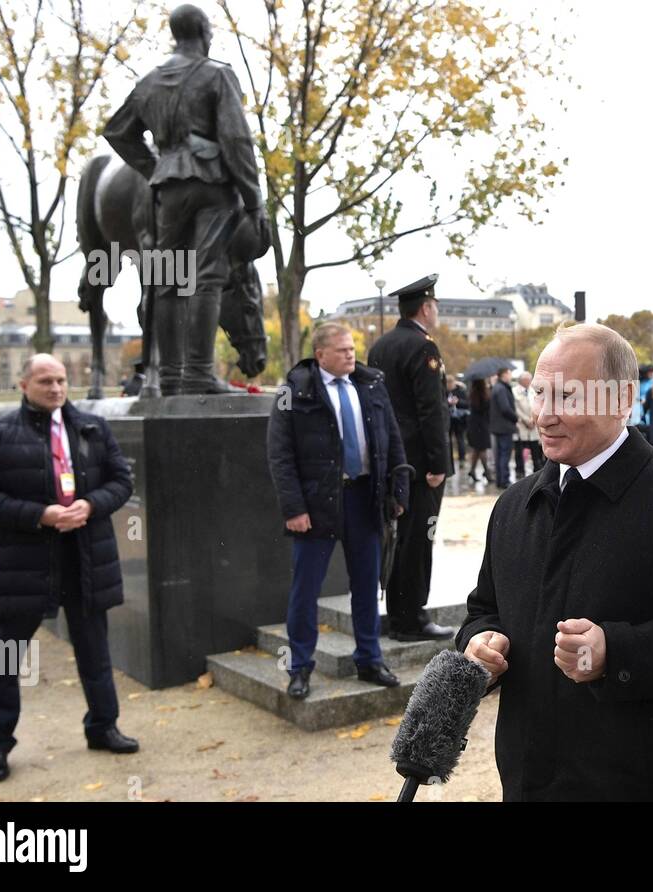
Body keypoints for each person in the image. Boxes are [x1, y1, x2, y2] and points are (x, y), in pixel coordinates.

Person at [456, 322, 653, 800]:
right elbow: (484, 610)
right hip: (527, 783)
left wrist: (616, 653)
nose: (544, 415)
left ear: (622, 399)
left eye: (567, 396)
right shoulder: (513, 506)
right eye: (539, 393)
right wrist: (478, 644)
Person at [0, 354, 137, 782]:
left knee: (95, 652)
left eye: (61, 380)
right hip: (21, 564)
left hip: (84, 557)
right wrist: (39, 515)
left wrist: (91, 504)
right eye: (46, 381)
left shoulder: (93, 428)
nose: (56, 388)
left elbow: (121, 481)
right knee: (4, 659)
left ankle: (103, 727)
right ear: (24, 384)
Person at [103, 3, 266, 395]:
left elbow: (118, 132)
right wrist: (253, 198)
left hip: (170, 189)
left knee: (168, 279)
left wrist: (156, 167)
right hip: (213, 186)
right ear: (205, 33)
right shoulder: (218, 74)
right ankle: (198, 373)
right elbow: (237, 139)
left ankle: (171, 375)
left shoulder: (148, 82)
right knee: (208, 276)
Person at [267, 323, 411, 698]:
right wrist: (294, 508)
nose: (351, 354)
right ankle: (300, 667)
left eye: (352, 348)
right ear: (321, 355)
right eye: (343, 350)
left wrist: (398, 492)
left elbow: (393, 439)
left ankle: (370, 659)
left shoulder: (371, 384)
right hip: (316, 505)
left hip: (365, 498)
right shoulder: (293, 390)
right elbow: (279, 454)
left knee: (366, 584)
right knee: (305, 589)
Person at [365, 274, 455, 641]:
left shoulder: (381, 346)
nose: (436, 312)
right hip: (420, 464)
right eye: (434, 306)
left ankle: (398, 612)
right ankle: (411, 618)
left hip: (392, 457)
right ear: (426, 308)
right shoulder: (423, 347)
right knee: (419, 538)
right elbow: (430, 410)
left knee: (398, 536)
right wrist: (438, 463)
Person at [490, 367, 519, 488]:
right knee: (504, 454)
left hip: (498, 426)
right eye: (509, 373)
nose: (510, 376)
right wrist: (516, 418)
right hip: (504, 426)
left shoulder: (497, 387)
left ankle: (500, 480)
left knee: (500, 454)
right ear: (504, 374)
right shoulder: (501, 388)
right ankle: (504, 480)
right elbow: (505, 408)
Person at [512, 370, 543, 478]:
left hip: (533, 425)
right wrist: (526, 420)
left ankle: (537, 471)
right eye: (527, 380)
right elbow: (515, 408)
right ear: (522, 381)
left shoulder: (533, 390)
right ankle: (520, 471)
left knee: (535, 450)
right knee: (519, 450)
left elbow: (538, 404)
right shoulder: (514, 391)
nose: (529, 381)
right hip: (521, 425)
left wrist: (533, 419)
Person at [466, 377, 492, 482]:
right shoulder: (482, 395)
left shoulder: (472, 394)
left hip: (474, 426)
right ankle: (487, 472)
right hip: (481, 426)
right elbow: (485, 409)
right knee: (482, 449)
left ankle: (472, 471)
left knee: (477, 450)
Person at [447, 375, 470, 466]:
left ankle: (462, 459)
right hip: (449, 419)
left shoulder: (460, 391)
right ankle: (449, 460)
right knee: (448, 440)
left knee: (460, 439)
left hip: (459, 419)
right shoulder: (445, 392)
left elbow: (467, 404)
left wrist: (458, 401)